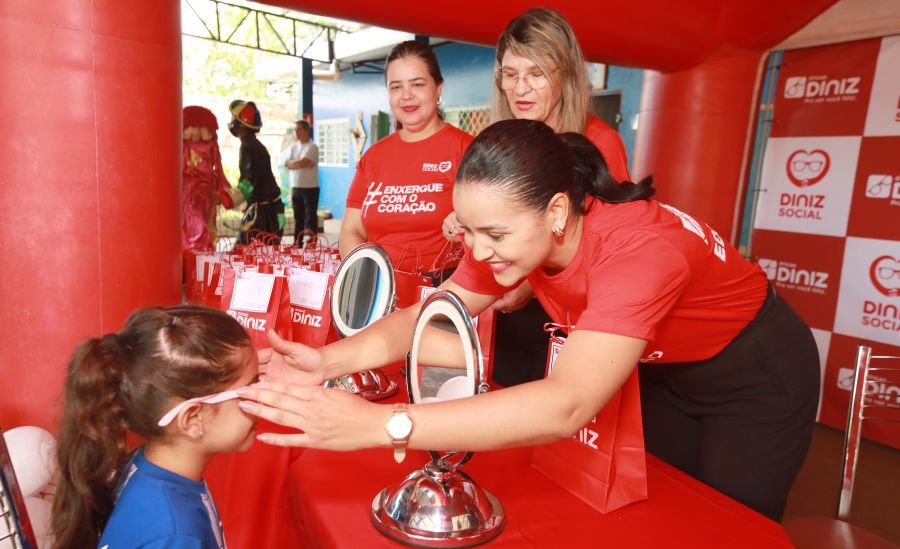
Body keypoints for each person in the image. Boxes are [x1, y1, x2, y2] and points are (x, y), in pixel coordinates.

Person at [240, 119, 820, 522]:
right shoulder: (517, 231)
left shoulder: (640, 252)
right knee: (661, 514)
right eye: (468, 231)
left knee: (724, 527)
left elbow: (566, 404)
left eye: (493, 235)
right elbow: (432, 313)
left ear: (559, 211)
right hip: (664, 368)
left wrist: (381, 425)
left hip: (752, 374)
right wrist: (327, 361)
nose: (479, 250)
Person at [444, 7, 632, 386]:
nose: (520, 88)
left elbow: (611, 250)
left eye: (536, 75)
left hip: (569, 322)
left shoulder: (599, 143)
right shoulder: (503, 142)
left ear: (565, 76)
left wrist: (524, 286)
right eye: (510, 75)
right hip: (501, 305)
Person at [49, 305, 260, 549]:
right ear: (193, 418)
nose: (265, 398)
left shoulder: (149, 470)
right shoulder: (173, 535)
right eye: (250, 389)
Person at [339, 40, 472, 280]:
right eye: (396, 87)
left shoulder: (468, 150)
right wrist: (362, 278)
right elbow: (351, 229)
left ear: (438, 88)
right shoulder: (373, 157)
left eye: (418, 84)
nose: (406, 96)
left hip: (445, 289)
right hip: (379, 289)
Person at [228, 99, 284, 244]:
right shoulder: (255, 145)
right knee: (268, 253)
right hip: (272, 209)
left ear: (239, 124)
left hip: (262, 214)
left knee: (246, 255)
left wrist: (231, 199)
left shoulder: (248, 146)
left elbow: (249, 180)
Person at [182, 106, 232, 253]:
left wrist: (223, 191)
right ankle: (191, 255)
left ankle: (202, 256)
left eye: (201, 128)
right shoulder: (181, 146)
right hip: (186, 192)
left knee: (204, 225)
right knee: (189, 224)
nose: (196, 132)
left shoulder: (211, 147)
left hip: (205, 193)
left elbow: (219, 171)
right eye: (192, 127)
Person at [285, 119, 320, 245]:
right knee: (297, 218)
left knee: (310, 217)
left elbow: (301, 163)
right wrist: (298, 164)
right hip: (296, 186)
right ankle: (297, 242)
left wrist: (296, 163)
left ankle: (311, 242)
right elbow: (287, 163)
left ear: (306, 130)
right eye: (295, 130)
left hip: (310, 187)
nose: (296, 132)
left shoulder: (312, 147)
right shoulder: (293, 147)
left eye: (299, 129)